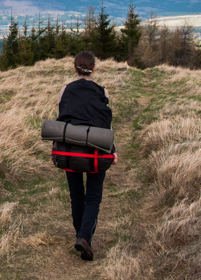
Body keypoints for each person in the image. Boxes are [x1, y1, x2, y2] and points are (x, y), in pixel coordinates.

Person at [56, 51, 118, 261]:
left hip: (70, 149)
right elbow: (106, 125)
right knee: (93, 197)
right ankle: (84, 237)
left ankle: (81, 236)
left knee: (76, 195)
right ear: (94, 69)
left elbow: (60, 119)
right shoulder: (103, 92)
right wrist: (113, 150)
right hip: (96, 152)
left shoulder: (65, 90)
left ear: (74, 68)